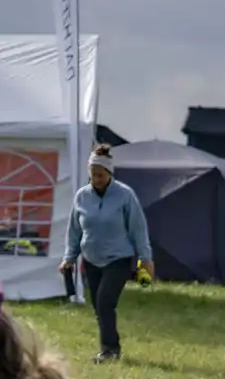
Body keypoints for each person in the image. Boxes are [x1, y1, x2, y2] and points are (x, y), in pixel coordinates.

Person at [60, 145, 154, 362]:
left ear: (110, 173)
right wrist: (68, 258)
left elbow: (138, 229)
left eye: (100, 175)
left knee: (104, 302)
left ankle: (111, 350)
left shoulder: (125, 196)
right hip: (91, 259)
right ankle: (108, 347)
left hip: (118, 259)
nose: (96, 179)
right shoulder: (82, 196)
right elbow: (74, 229)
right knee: (98, 306)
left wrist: (145, 258)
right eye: (93, 175)